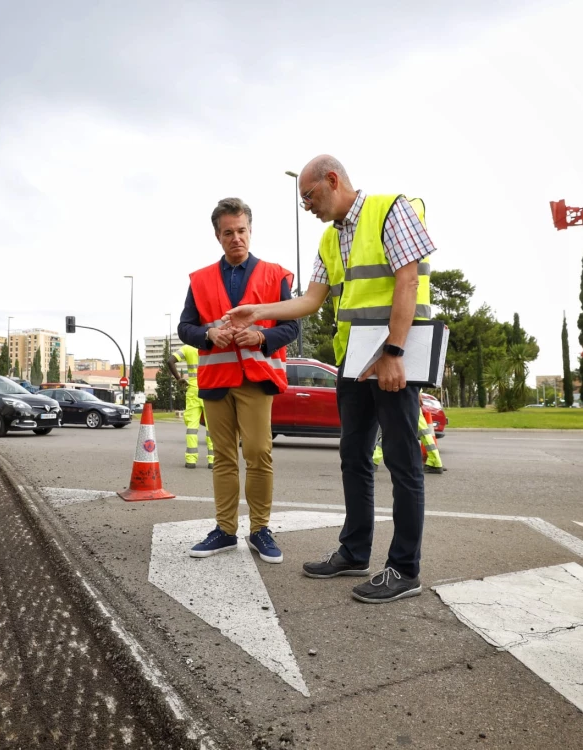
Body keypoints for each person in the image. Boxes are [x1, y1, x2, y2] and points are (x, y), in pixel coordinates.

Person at [225, 155, 436, 602]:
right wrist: (258, 312)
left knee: (403, 463)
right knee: (354, 458)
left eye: (309, 196)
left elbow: (408, 282)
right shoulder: (329, 238)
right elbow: (310, 300)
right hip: (354, 364)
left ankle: (404, 569)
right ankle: (355, 551)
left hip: (392, 360)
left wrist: (394, 353)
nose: (307, 206)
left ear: (333, 180)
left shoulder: (391, 209)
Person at [177, 197, 299, 564]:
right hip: (216, 380)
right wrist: (206, 336)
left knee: (259, 453)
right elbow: (185, 327)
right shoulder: (199, 280)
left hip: (257, 378)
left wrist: (262, 338)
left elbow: (292, 325)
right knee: (225, 458)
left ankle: (260, 529)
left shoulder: (274, 274)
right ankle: (225, 531)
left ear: (250, 230)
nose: (236, 238)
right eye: (228, 232)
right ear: (218, 236)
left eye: (241, 230)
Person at [168, 344, 214, 469]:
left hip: (193, 390)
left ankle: (191, 460)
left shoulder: (188, 348)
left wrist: (179, 379)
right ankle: (212, 461)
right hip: (210, 389)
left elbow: (170, 361)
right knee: (212, 428)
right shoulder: (212, 345)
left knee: (192, 428)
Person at [373, 394, 444, 474]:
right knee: (423, 431)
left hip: (405, 394)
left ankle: (375, 459)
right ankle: (435, 461)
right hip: (410, 394)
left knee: (392, 427)